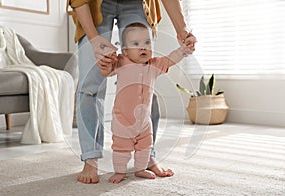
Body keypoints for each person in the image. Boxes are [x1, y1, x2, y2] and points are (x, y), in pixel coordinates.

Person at [66, 0, 196, 184]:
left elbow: (166, 60)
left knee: (145, 80)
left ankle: (148, 155)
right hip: (94, 3)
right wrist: (95, 42)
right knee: (90, 88)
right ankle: (90, 158)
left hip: (138, 3)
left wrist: (182, 30)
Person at [100, 23, 192, 184]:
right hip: (123, 120)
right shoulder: (121, 62)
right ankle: (120, 171)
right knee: (121, 148)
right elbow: (106, 71)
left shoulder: (154, 65)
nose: (143, 47)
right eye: (136, 44)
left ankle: (141, 168)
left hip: (144, 122)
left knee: (145, 146)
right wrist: (106, 59)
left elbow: (170, 59)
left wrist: (183, 51)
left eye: (147, 43)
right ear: (125, 50)